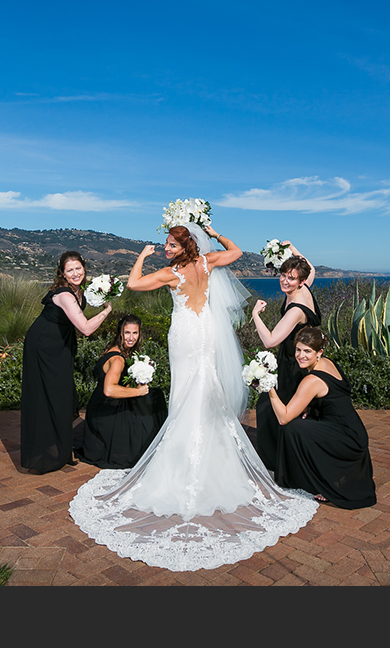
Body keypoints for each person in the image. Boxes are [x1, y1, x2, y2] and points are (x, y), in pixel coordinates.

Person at [69, 222, 318, 572]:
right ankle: (214, 459)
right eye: (165, 245)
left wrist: (141, 256)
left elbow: (134, 283)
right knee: (206, 387)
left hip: (184, 333)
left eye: (170, 244)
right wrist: (214, 232)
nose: (166, 248)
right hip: (206, 332)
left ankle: (184, 461)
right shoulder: (208, 262)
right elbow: (235, 252)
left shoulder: (172, 273)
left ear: (182, 246)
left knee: (187, 390)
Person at [21, 251, 111, 475]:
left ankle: (62, 449)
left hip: (61, 343)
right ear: (62, 273)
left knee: (63, 394)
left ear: (84, 268)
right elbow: (86, 329)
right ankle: (46, 453)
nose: (75, 273)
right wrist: (107, 311)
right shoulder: (64, 295)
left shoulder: (80, 291)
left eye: (78, 268)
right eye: (69, 270)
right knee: (49, 395)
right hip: (43, 346)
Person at [268, 326, 377, 509]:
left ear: (319, 352)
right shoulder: (327, 363)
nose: (301, 355)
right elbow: (333, 396)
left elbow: (283, 417)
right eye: (298, 349)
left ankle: (320, 482)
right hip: (354, 432)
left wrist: (269, 387)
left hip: (346, 439)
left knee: (291, 428)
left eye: (307, 351)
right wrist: (310, 408)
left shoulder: (311, 380)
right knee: (302, 422)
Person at [250, 243, 321, 471]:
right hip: (298, 360)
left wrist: (255, 315)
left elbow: (270, 341)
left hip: (294, 366)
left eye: (291, 278)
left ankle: (279, 460)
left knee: (272, 407)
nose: (284, 281)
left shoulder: (296, 309)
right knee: (273, 407)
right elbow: (312, 269)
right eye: (283, 275)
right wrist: (293, 248)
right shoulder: (305, 287)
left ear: (300, 281)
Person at [79, 314, 168, 469]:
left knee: (154, 394)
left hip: (98, 407)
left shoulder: (115, 349)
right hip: (106, 412)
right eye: (127, 333)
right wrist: (137, 392)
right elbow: (109, 389)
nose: (131, 338)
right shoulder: (118, 360)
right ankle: (154, 444)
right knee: (153, 399)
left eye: (135, 333)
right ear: (120, 333)